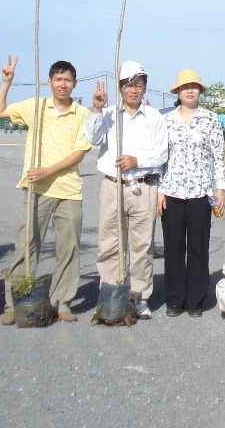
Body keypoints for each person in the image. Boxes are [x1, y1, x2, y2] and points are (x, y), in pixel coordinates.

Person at [0, 57, 93, 324]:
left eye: (68, 80)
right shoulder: (35, 107)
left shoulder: (82, 114)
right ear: (49, 82)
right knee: (26, 245)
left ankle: (62, 302)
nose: (63, 84)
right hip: (37, 189)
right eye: (58, 79)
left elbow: (79, 153)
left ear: (74, 84)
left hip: (68, 190)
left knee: (68, 248)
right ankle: (14, 303)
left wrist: (48, 170)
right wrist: (6, 82)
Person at [85, 61, 169, 319]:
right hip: (113, 186)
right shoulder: (109, 114)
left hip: (144, 188)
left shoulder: (154, 117)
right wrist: (96, 110)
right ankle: (110, 292)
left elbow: (162, 152)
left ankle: (140, 296)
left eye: (138, 84)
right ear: (120, 87)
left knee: (142, 246)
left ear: (145, 87)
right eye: (128, 85)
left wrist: (137, 161)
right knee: (110, 243)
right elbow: (93, 139)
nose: (133, 90)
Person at [157, 69, 225, 318]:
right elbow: (161, 159)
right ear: (177, 91)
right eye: (184, 87)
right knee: (174, 247)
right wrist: (160, 191)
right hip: (172, 192)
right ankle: (174, 299)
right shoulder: (165, 120)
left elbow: (218, 157)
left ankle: (196, 299)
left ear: (199, 91)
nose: (189, 90)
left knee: (198, 247)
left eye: (194, 87)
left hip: (200, 193)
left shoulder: (210, 119)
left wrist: (220, 188)